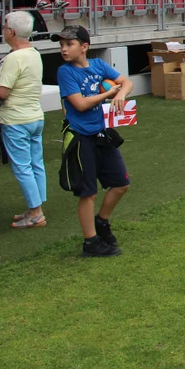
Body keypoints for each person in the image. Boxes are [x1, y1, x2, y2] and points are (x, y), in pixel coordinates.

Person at [54, 25, 133, 258]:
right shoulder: (65, 72)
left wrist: (120, 94)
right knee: (87, 193)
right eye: (61, 45)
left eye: (69, 44)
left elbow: (126, 82)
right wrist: (109, 94)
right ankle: (90, 242)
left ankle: (102, 222)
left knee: (121, 183)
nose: (64, 49)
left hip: (102, 133)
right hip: (79, 136)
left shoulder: (98, 65)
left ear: (84, 46)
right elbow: (79, 104)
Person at [0, 11, 46, 228]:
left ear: (11, 32)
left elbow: (2, 92)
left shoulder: (14, 58)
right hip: (34, 117)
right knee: (35, 164)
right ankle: (36, 207)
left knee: (23, 167)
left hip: (17, 119)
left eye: (4, 28)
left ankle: (36, 213)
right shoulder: (34, 54)